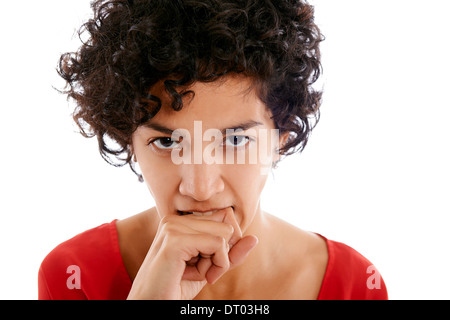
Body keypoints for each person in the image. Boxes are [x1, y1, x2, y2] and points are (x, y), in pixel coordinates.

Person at [38, 0, 388, 300]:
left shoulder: (354, 284)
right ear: (128, 140)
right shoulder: (73, 275)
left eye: (235, 140)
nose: (201, 188)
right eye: (167, 142)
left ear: (281, 137)